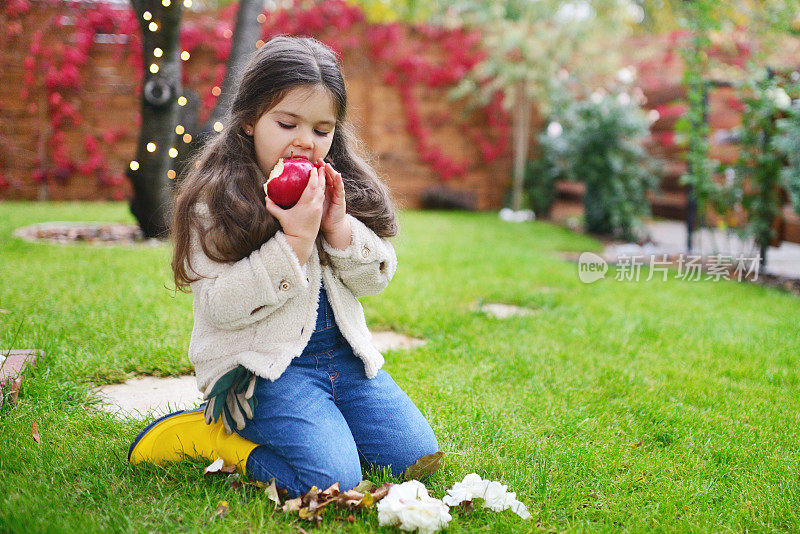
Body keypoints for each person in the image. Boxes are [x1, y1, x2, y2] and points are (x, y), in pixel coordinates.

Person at [128, 36, 439, 498]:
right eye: (287, 123)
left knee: (413, 458)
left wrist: (338, 228)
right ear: (250, 119)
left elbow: (376, 277)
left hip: (345, 363)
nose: (305, 142)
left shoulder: (334, 186)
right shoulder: (217, 202)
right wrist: (293, 241)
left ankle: (327, 427)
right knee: (332, 482)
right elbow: (219, 307)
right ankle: (214, 437)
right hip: (261, 372)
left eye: (321, 130)